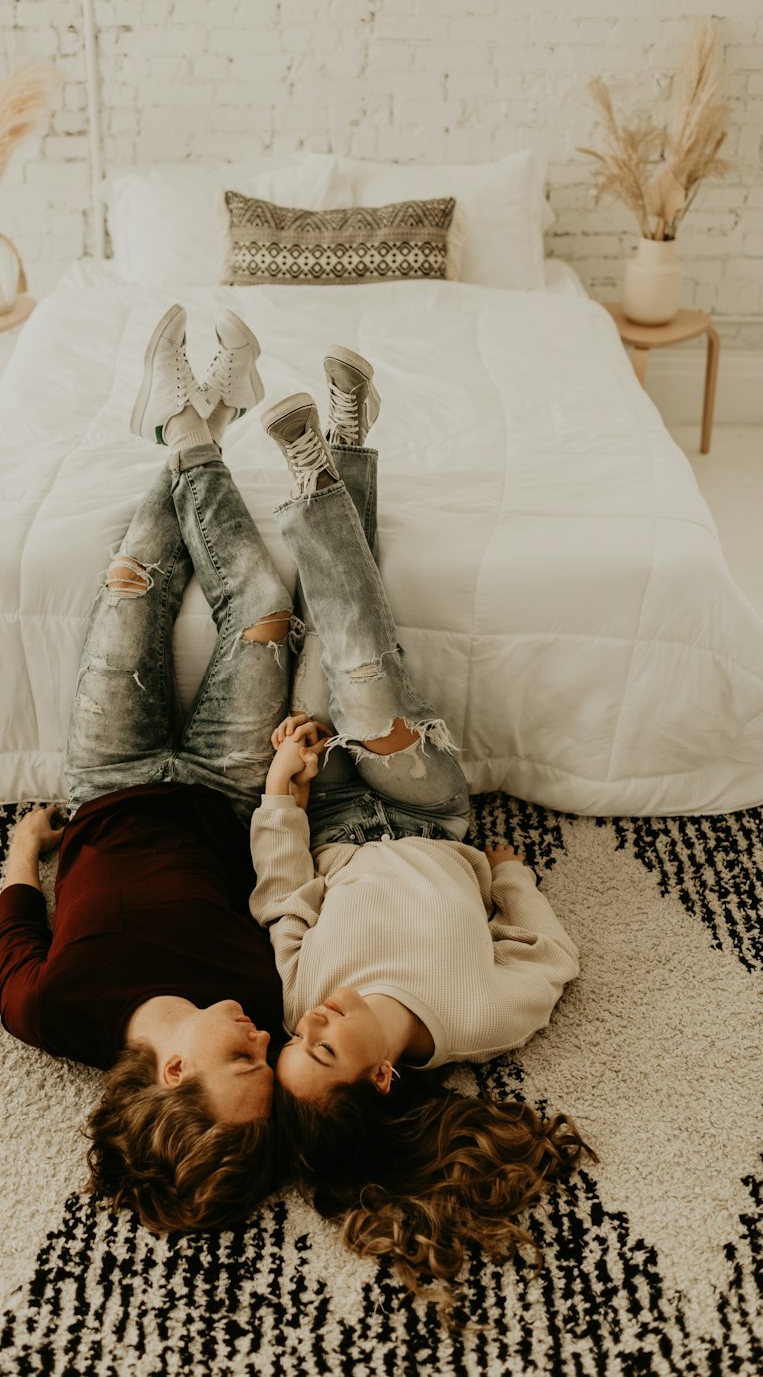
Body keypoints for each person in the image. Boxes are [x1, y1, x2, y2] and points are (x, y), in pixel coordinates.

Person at [249, 351, 593, 1316]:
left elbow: (283, 897)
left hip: (341, 818)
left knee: (333, 648)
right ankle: (321, 469)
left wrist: (282, 793)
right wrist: (510, 878)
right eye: (321, 1046)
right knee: (365, 680)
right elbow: (550, 956)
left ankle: (351, 443)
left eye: (297, 1039)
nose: (307, 1023)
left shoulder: (304, 997)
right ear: (384, 1073)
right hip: (432, 811)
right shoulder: (480, 1020)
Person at [0, 304, 300, 1234]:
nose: (262, 1044)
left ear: (175, 1071)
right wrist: (288, 785)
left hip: (110, 773)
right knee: (265, 602)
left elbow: (19, 922)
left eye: (241, 1062)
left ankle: (186, 423)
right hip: (223, 781)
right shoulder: (268, 1007)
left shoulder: (52, 1012)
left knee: (136, 574)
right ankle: (191, 423)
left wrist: (25, 848)